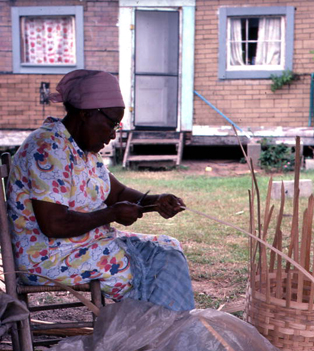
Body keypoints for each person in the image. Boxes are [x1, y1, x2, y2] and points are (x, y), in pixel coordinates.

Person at [6, 69, 195, 312]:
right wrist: (111, 215)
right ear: (85, 114)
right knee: (151, 272)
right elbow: (54, 225)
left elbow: (115, 193)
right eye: (111, 124)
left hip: (82, 245)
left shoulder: (83, 150)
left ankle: (159, 333)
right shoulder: (48, 148)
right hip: (48, 257)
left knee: (167, 248)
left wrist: (155, 202)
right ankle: (155, 337)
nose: (113, 134)